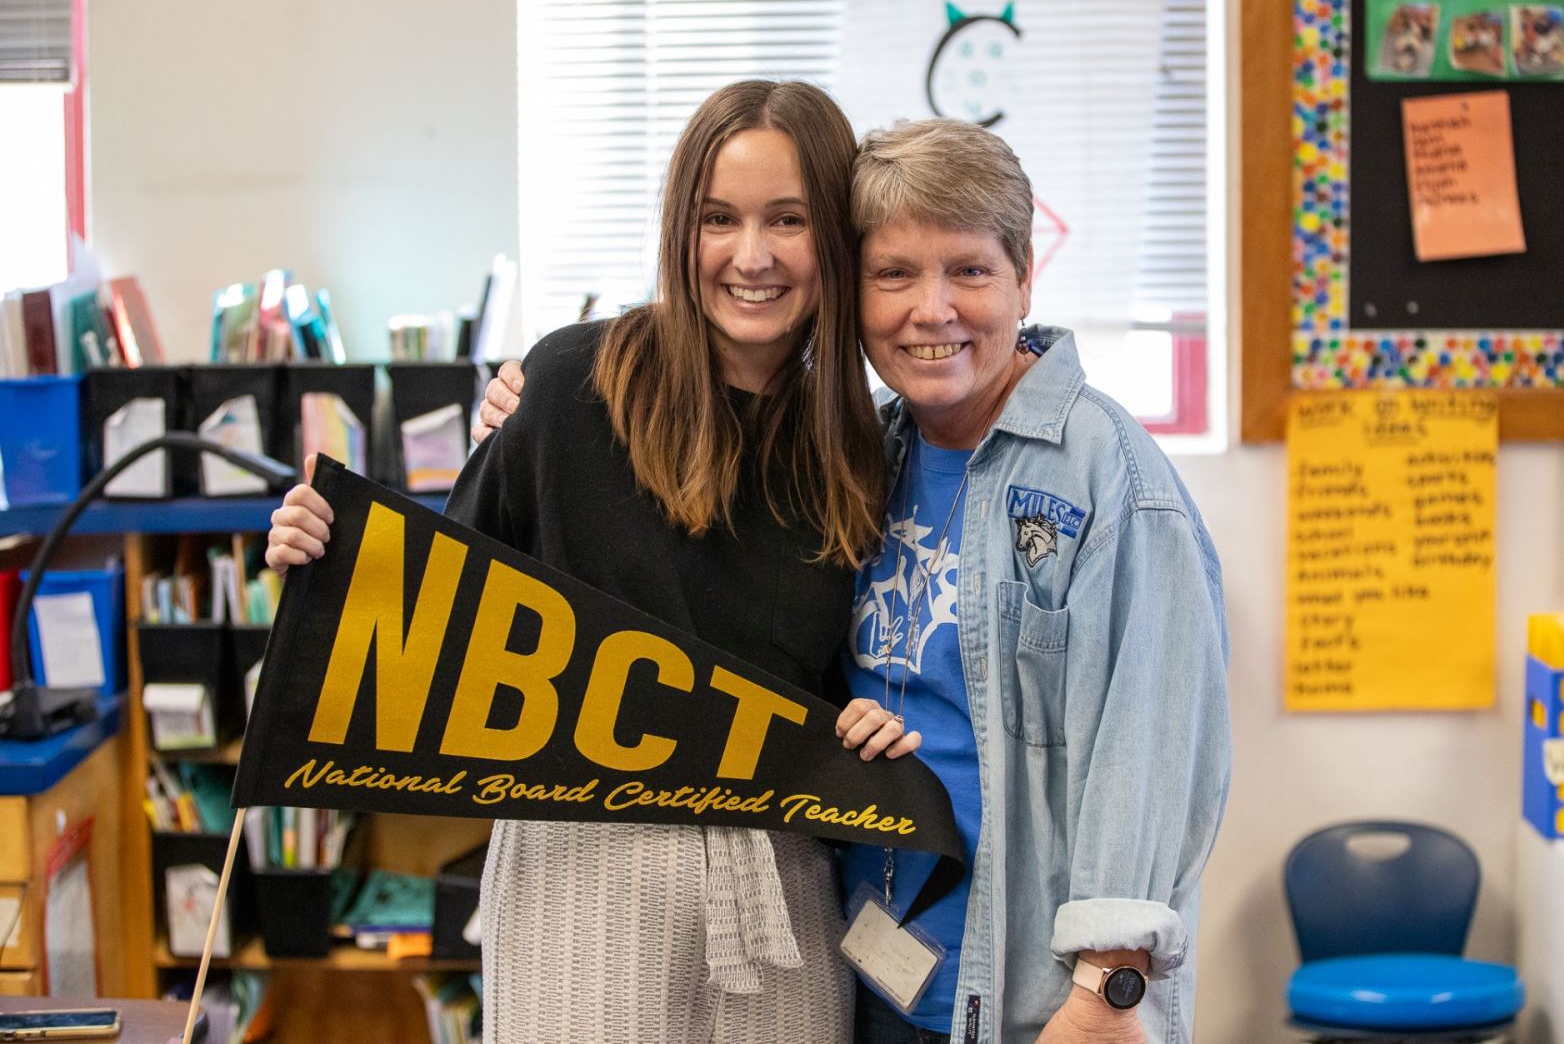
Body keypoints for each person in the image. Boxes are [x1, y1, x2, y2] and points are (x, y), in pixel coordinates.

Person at [479, 118, 1231, 1044]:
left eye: (970, 271)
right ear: (854, 289)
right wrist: (521, 412)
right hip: (868, 968)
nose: (933, 309)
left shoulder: (1111, 482)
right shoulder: (862, 450)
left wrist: (1110, 992)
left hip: (1030, 1000)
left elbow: (1152, 754)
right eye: (895, 275)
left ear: (1024, 276)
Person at [266, 79, 921, 1043]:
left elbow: (854, 673)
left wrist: (871, 721)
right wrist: (321, 563)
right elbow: (440, 609)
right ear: (679, 230)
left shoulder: (859, 449)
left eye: (788, 219)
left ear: (833, 235)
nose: (752, 255)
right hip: (583, 880)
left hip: (780, 895)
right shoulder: (572, 383)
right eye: (718, 218)